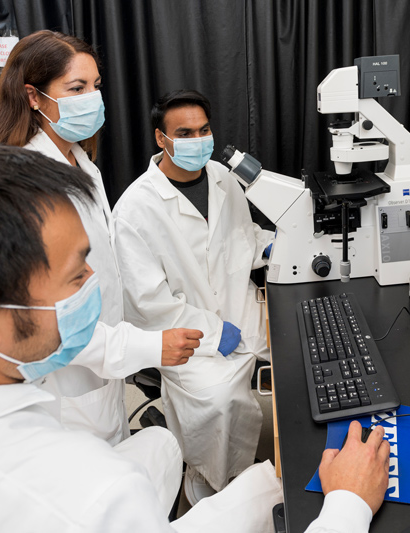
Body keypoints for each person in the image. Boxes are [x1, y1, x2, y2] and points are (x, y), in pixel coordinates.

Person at [0, 142, 390, 533]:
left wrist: (265, 484)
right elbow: (88, 506)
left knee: (159, 445)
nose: (95, 287)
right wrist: (346, 506)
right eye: (76, 275)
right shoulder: (78, 494)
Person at [0, 30, 200, 444]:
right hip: (61, 381)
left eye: (95, 86)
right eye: (76, 88)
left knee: (112, 447)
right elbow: (49, 316)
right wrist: (145, 348)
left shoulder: (80, 162)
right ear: (34, 97)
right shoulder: (27, 183)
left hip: (100, 363)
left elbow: (101, 270)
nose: (92, 98)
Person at [114, 90, 275, 502]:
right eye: (184, 133)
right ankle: (208, 489)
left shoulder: (221, 176)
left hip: (245, 310)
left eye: (204, 130)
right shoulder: (136, 208)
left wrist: (275, 246)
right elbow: (148, 303)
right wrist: (212, 330)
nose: (197, 140)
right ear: (160, 139)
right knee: (218, 401)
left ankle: (281, 466)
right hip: (190, 337)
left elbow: (241, 238)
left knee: (303, 362)